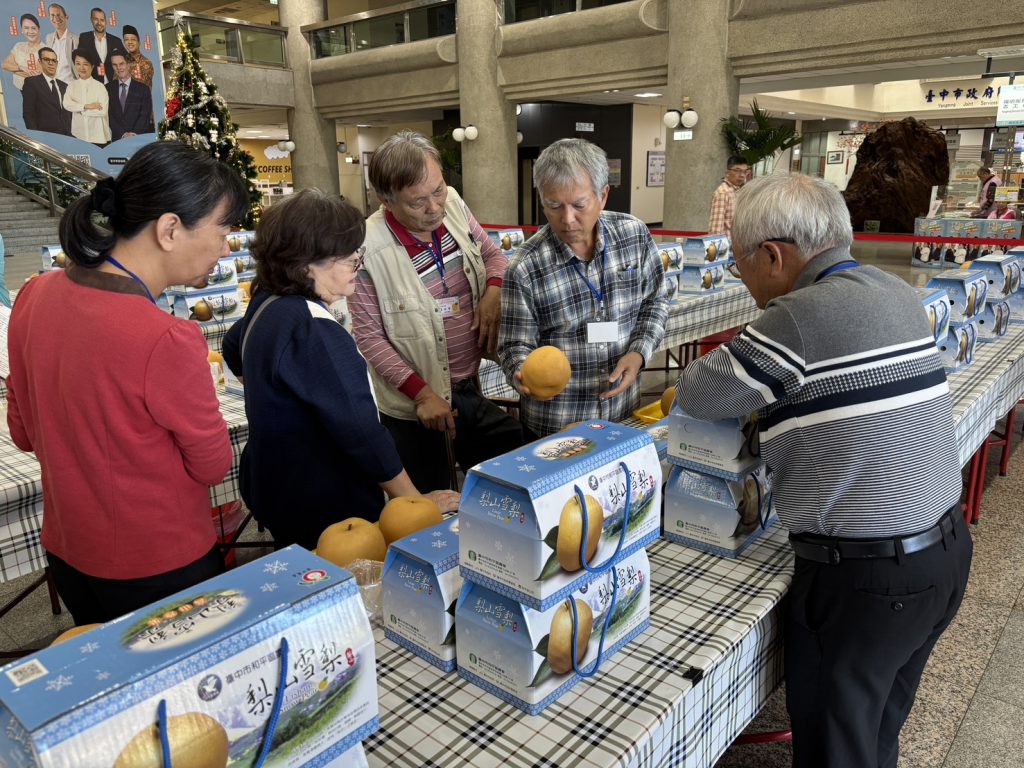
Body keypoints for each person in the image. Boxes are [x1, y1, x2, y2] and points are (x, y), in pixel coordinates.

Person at [674, 174, 972, 768]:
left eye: (739, 264)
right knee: (874, 731)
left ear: (772, 255)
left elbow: (697, 393)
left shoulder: (797, 317)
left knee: (836, 751)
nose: (743, 280)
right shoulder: (895, 290)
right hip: (944, 550)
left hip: (865, 582)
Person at [5, 142, 249, 624]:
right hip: (159, 563)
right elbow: (212, 465)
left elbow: (24, 434)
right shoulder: (166, 338)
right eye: (223, 231)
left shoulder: (34, 294)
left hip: (69, 551)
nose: (226, 249)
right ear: (170, 229)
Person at [222, 189, 460, 549]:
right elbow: (361, 431)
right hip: (325, 504)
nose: (358, 268)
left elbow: (231, 346)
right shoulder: (313, 329)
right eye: (350, 259)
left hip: (273, 483)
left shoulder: (268, 301)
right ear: (307, 263)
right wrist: (414, 501)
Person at [348, 130, 524, 491]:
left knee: (511, 471)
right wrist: (422, 394)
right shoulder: (367, 246)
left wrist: (493, 291)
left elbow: (493, 255)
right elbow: (370, 338)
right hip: (415, 409)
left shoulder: (453, 204)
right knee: (433, 502)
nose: (434, 208)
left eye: (438, 190)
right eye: (418, 202)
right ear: (386, 200)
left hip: (469, 386)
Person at [497, 138, 667, 437]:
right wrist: (523, 373)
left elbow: (655, 302)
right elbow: (514, 345)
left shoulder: (634, 236)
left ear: (603, 196)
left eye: (579, 205)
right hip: (558, 424)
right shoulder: (525, 266)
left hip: (622, 413)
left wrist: (639, 353)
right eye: (554, 206)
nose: (567, 219)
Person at [21, 47, 72, 136]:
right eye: (47, 59)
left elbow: (69, 114)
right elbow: (28, 114)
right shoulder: (32, 82)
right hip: (45, 137)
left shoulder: (64, 86)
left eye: (54, 60)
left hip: (67, 137)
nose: (51, 63)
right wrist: (36, 137)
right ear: (40, 62)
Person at [63, 48, 110, 145]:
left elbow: (102, 111)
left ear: (92, 66)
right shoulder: (71, 86)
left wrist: (80, 111)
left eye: (85, 64)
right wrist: (86, 106)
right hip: (78, 135)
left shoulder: (100, 87)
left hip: (98, 137)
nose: (81, 68)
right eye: (78, 64)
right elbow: (66, 104)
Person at [106, 50, 153, 140]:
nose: (118, 68)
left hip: (138, 138)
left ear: (128, 64)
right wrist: (122, 134)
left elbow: (145, 115)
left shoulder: (143, 89)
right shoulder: (107, 89)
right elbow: (108, 115)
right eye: (115, 65)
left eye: (121, 64)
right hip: (117, 140)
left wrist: (133, 134)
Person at [707, 154, 750, 237]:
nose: (742, 175)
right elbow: (715, 230)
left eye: (745, 172)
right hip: (727, 244)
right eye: (737, 171)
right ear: (727, 172)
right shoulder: (723, 193)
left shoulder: (737, 191)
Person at [76, 7, 122, 84]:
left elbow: (126, 60)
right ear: (91, 20)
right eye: (96, 19)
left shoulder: (116, 40)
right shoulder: (84, 38)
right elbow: (80, 60)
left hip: (113, 85)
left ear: (106, 22)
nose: (99, 23)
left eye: (102, 20)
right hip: (92, 84)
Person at [3, 14, 45, 91]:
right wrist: (21, 67)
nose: (30, 31)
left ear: (39, 29)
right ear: (22, 30)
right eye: (26, 28)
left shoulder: (45, 50)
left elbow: (35, 76)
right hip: (15, 89)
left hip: (35, 92)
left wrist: (13, 70)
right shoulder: (18, 46)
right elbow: (4, 65)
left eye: (33, 28)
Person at [45, 3, 77, 84]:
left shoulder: (76, 39)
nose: (56, 18)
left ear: (66, 17)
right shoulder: (49, 38)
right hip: (53, 85)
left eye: (58, 15)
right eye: (52, 15)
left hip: (70, 85)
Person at [121, 25, 154, 90]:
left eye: (133, 39)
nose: (130, 42)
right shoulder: (121, 61)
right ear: (124, 43)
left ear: (139, 43)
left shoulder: (146, 63)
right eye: (126, 40)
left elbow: (144, 90)